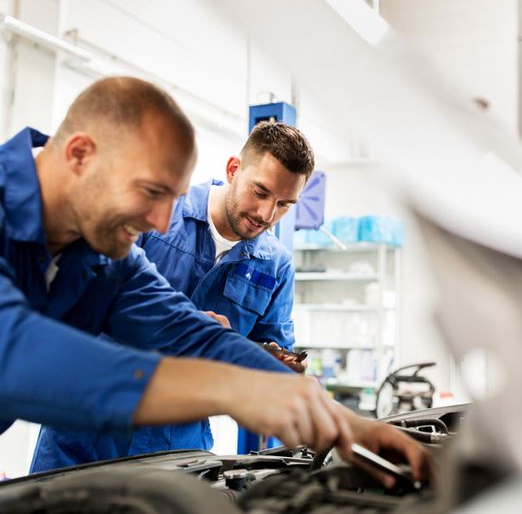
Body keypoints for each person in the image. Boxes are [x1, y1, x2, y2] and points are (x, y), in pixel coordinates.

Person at [0, 76, 432, 485]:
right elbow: (14, 351)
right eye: (151, 192)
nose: (160, 221)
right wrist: (228, 388)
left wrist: (343, 421)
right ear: (79, 154)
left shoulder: (107, 256)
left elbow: (196, 336)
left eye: (171, 198)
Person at [123, 121, 310, 456]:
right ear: (233, 169)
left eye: (285, 204)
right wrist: (192, 332)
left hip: (179, 441)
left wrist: (277, 367)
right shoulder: (159, 210)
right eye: (261, 192)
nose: (267, 214)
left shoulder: (275, 265)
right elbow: (90, 303)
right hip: (93, 425)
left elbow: (268, 361)